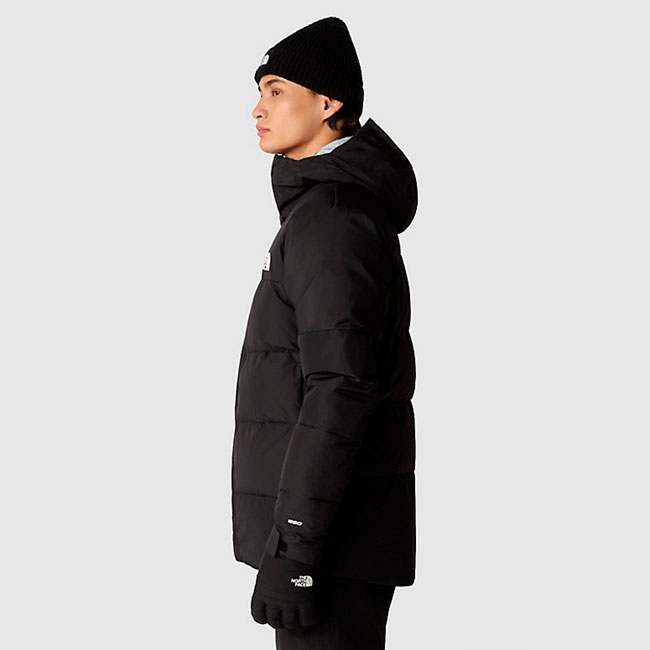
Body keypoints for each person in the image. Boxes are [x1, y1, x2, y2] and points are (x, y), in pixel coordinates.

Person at [231, 16, 418, 649]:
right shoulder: (323, 210)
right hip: (330, 539)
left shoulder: (332, 219)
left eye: (277, 90)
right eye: (259, 91)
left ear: (329, 103)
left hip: (329, 547)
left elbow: (340, 387)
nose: (258, 109)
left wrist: (294, 546)